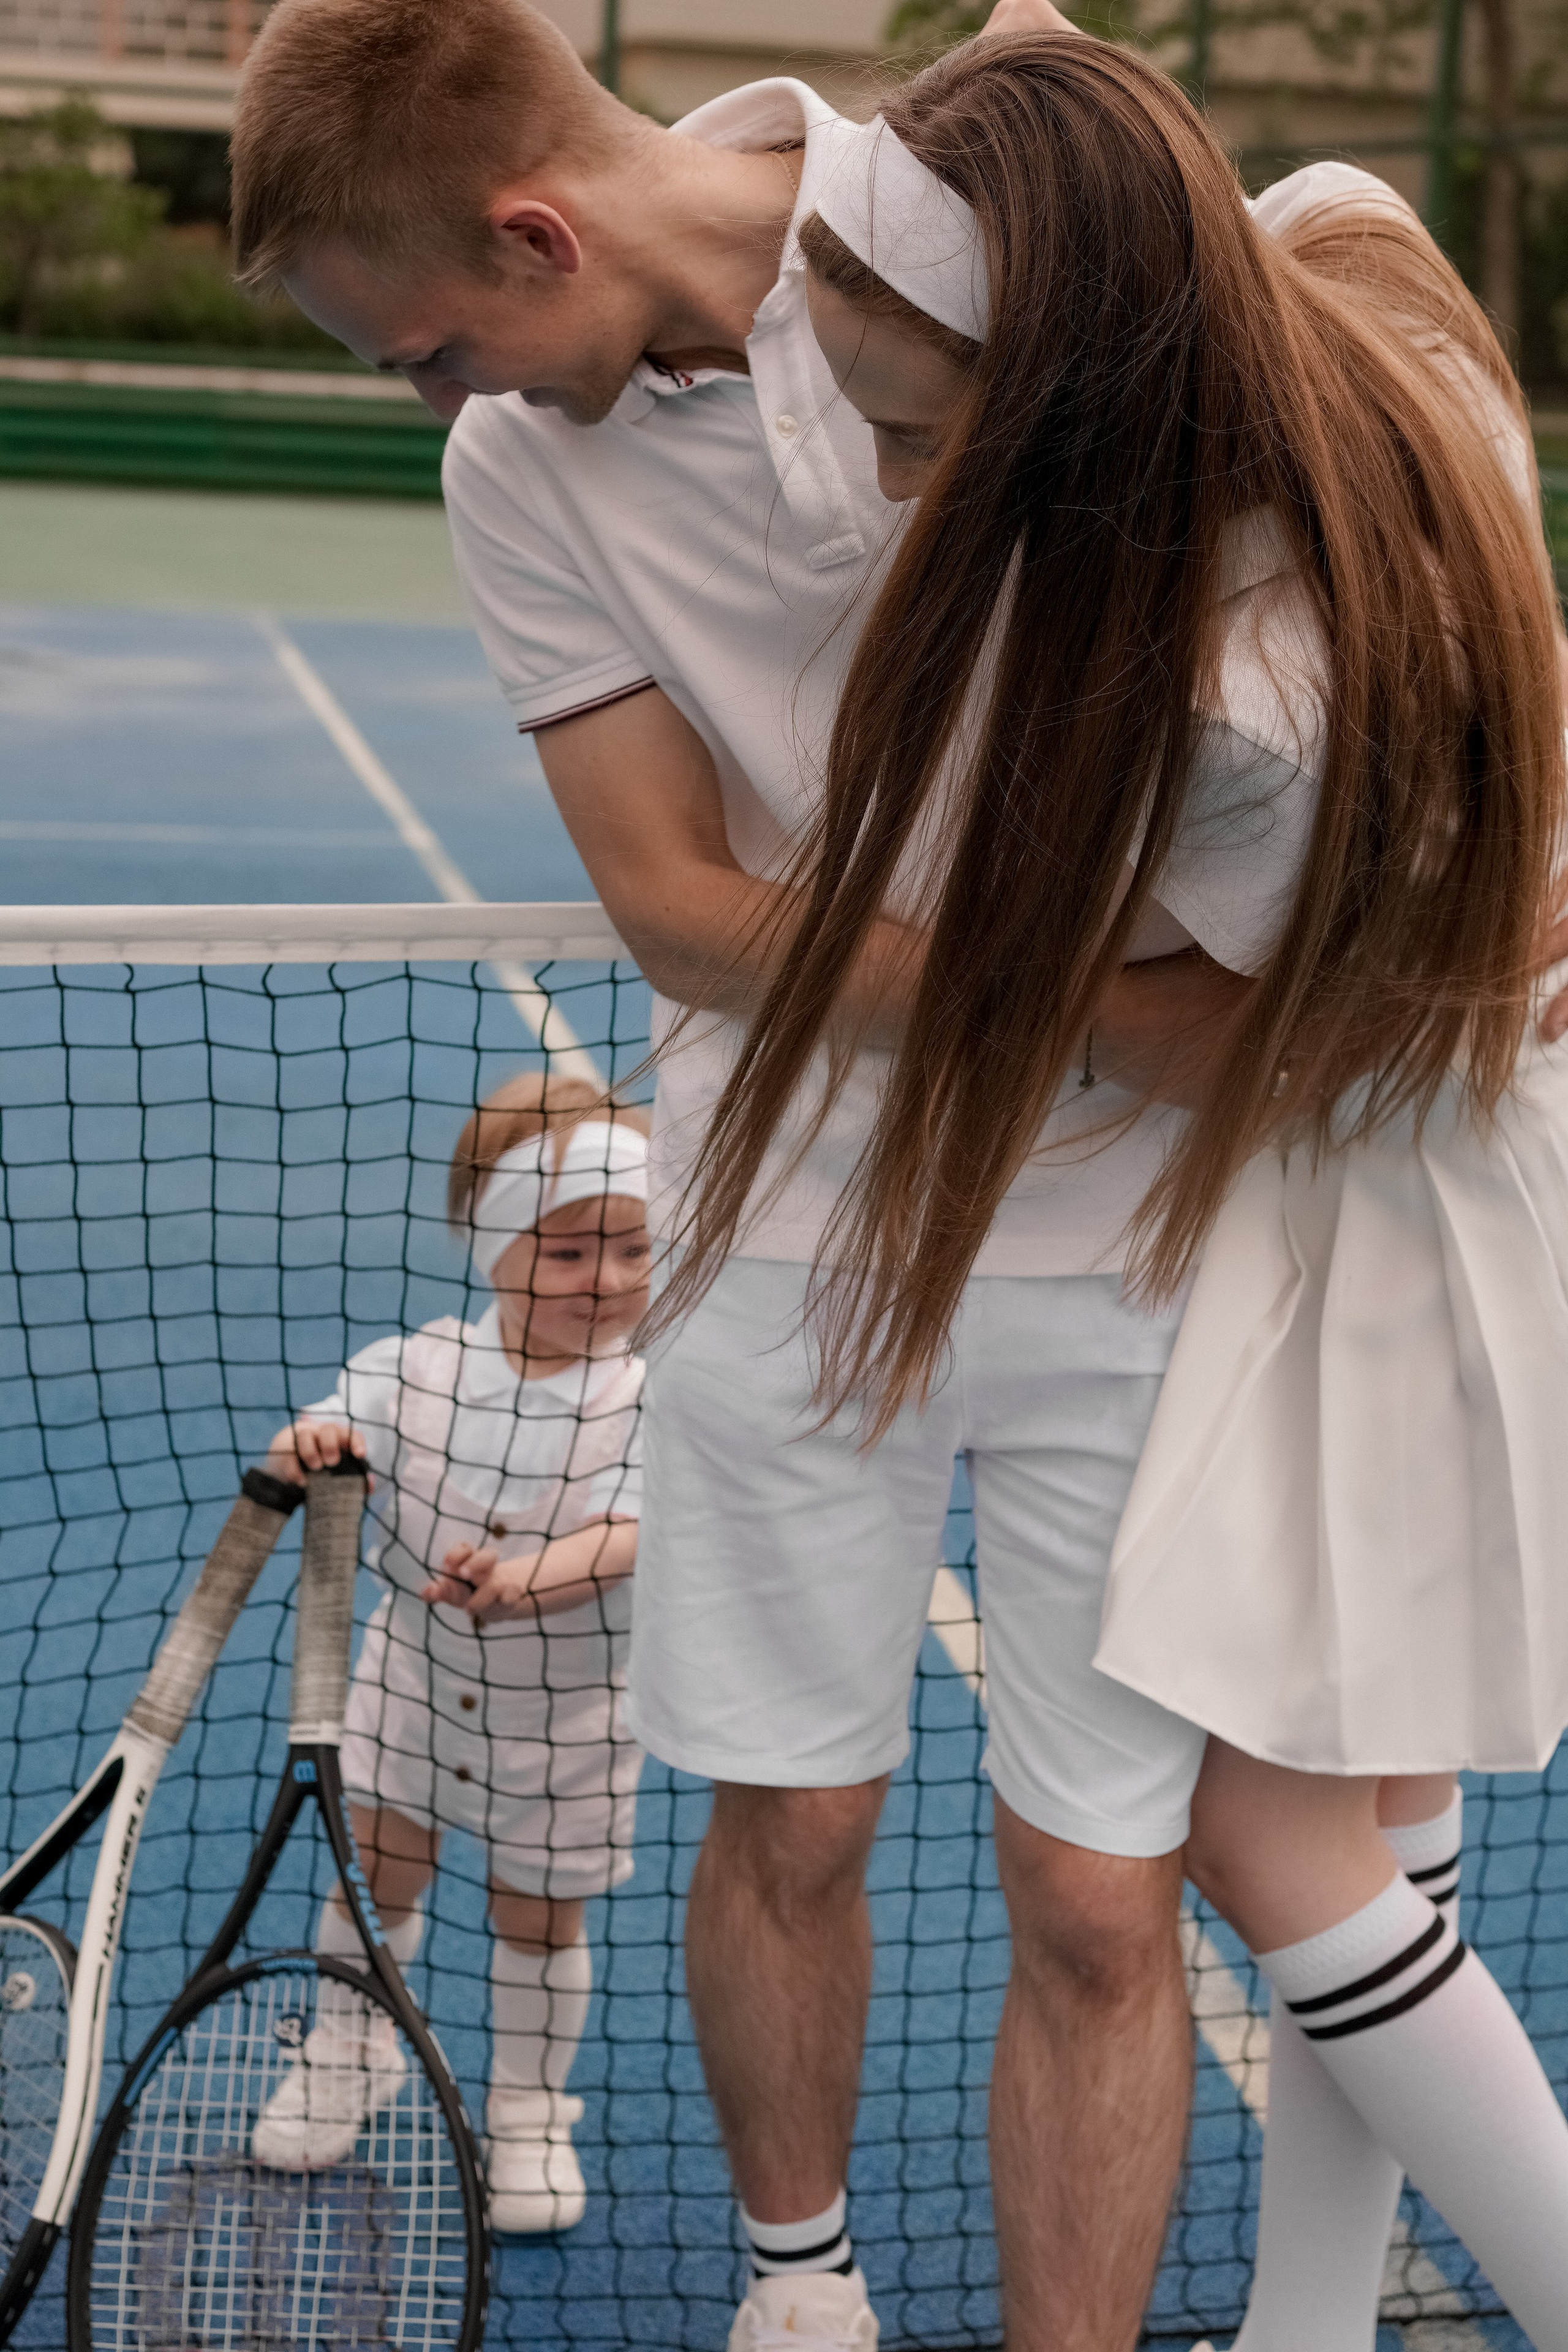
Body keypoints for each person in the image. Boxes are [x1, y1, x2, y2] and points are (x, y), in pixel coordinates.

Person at [228, 7, 1254, 2345]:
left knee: (1106, 1897)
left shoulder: (988, 221)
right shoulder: (518, 472)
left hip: (1141, 1228)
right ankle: (800, 2294)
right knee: (792, 1818)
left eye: (432, 346)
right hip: (785, 1227)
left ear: (536, 233)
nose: (438, 399)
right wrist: (1097, 1010)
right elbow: (683, 909)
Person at [664, 29, 1568, 2352]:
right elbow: (1147, 129)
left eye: (917, 432)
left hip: (1363, 1187)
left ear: (1068, 391)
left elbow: (1206, 1029)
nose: (889, 479)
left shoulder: (1215, 705)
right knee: (1373, 1788)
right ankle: (1311, 2320)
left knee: (1270, 1839)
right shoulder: (1352, 273)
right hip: (1467, 1149)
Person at [252, 1075, 649, 2234]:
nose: (607, 1279)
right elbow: (328, 1436)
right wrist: (306, 1449)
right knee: (376, 1874)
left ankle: (527, 2113)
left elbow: (634, 1531)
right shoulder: (412, 1369)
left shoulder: (656, 1394)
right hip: (411, 1687)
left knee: (539, 1917)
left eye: (633, 1248)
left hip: (573, 1720)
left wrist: (530, 1579)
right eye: (568, 1252)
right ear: (490, 1242)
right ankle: (349, 2049)